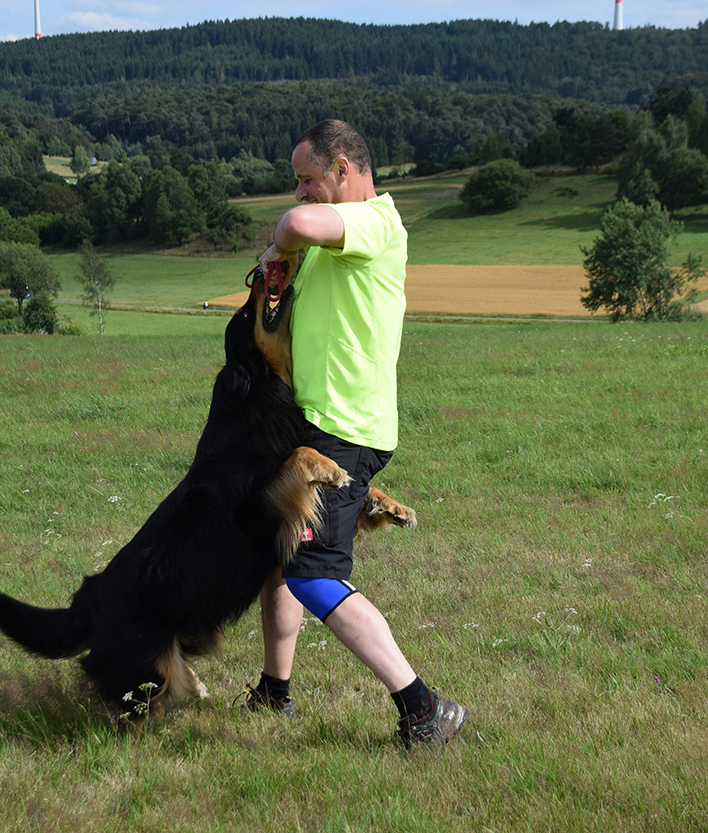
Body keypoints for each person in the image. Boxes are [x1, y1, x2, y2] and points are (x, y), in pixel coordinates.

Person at [245, 119, 467, 750]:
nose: (299, 191)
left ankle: (424, 708)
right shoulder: (334, 239)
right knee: (283, 557)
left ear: (343, 168)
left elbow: (294, 224)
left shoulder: (375, 223)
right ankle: (273, 692)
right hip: (316, 424)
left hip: (345, 432)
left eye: (307, 178)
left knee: (314, 576)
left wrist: (278, 245)